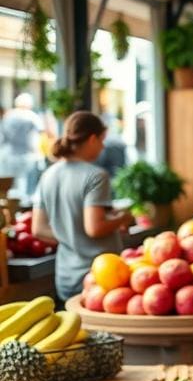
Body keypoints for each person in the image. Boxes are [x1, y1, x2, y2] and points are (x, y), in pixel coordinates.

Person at [31, 112, 133, 302]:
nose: (103, 147)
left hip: (65, 278)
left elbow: (38, 229)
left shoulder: (48, 175)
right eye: (102, 140)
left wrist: (71, 235)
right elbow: (94, 228)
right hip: (98, 277)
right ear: (92, 139)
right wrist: (123, 218)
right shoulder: (95, 176)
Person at [0, 93, 44, 202]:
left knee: (10, 187)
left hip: (9, 156)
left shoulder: (8, 116)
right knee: (26, 188)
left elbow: (3, 138)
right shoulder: (33, 116)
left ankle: (10, 211)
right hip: (27, 156)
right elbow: (40, 135)